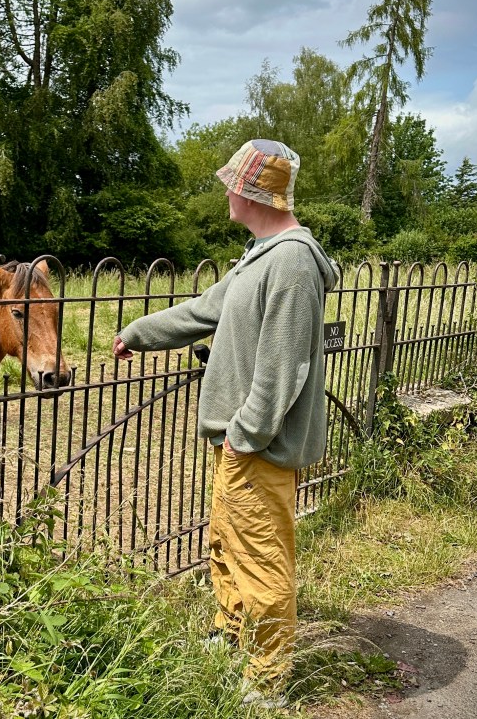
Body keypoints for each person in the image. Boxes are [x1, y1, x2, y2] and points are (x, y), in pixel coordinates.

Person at [112, 139, 340, 700]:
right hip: (238, 441)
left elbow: (284, 364)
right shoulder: (260, 255)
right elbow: (202, 311)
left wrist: (247, 434)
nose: (225, 190)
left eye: (231, 182)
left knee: (261, 559)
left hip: (256, 446)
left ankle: (265, 682)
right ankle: (231, 633)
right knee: (227, 544)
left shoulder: (290, 262)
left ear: (250, 191)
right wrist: (137, 335)